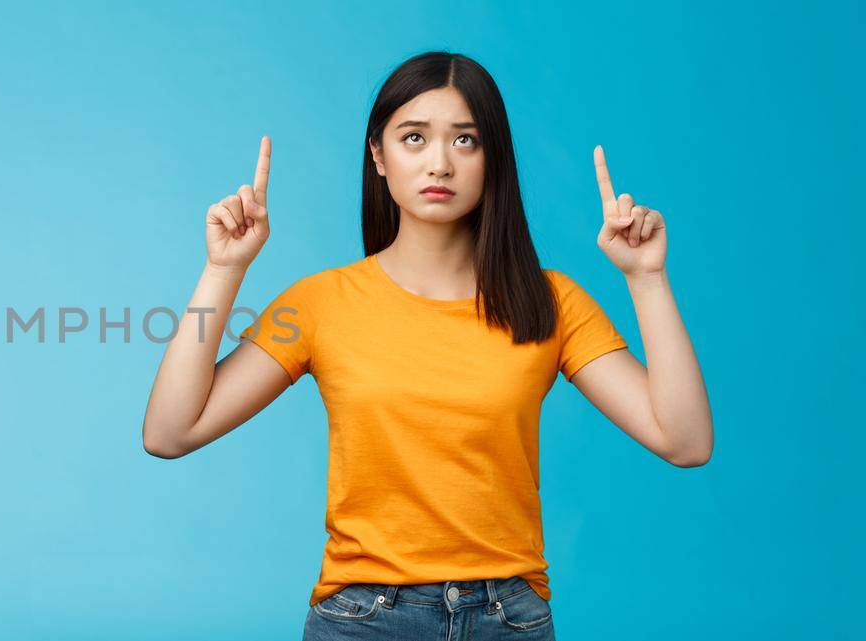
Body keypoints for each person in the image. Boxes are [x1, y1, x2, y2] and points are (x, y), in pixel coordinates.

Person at [140, 51, 713, 640]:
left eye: (465, 140)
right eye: (414, 137)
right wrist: (223, 269)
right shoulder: (321, 303)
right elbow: (169, 431)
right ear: (379, 155)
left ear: (493, 159)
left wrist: (646, 279)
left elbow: (685, 440)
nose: (439, 162)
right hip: (362, 619)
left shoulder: (549, 302)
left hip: (507, 619)